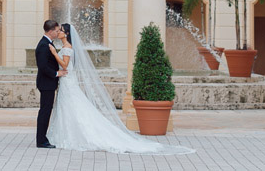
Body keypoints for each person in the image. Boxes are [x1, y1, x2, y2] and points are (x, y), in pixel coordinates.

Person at [46, 23, 195, 155]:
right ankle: (66, 133)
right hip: (66, 81)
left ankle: (74, 135)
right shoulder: (65, 47)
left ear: (67, 34)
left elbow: (65, 66)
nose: (58, 32)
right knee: (70, 108)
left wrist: (53, 53)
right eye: (58, 30)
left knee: (74, 107)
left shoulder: (67, 48)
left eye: (61, 30)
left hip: (68, 81)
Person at [35, 19, 67, 148]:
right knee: (45, 111)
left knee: (46, 110)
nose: (58, 32)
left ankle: (42, 138)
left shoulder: (49, 43)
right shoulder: (43, 45)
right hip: (46, 83)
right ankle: (41, 140)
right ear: (50, 31)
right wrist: (56, 73)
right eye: (57, 30)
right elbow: (42, 66)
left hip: (48, 83)